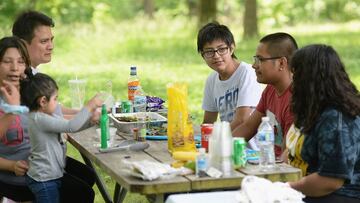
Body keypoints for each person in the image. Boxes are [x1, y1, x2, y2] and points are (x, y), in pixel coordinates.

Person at [11, 10, 98, 203]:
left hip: (41, 153)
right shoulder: (20, 80)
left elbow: (52, 109)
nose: (51, 46)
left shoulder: (33, 74)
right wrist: (87, 116)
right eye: (44, 41)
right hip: (28, 162)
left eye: (51, 39)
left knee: (87, 175)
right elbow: (39, 121)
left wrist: (83, 111)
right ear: (24, 45)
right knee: (82, 192)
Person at [287, 44, 360, 203]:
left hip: (342, 196)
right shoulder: (316, 109)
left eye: (296, 74)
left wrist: (286, 187)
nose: (293, 81)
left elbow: (330, 181)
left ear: (309, 78)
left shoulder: (336, 118)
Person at [19, 72, 102, 203]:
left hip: (51, 176)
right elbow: (72, 126)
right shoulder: (39, 119)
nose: (57, 103)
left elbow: (71, 126)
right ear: (43, 101)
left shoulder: (47, 117)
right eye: (55, 99)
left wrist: (91, 121)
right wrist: (90, 105)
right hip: (44, 180)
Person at [232, 32, 298, 159]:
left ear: (281, 63)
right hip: (269, 163)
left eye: (260, 60)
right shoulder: (270, 90)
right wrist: (221, 148)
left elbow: (288, 155)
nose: (254, 65)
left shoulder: (297, 98)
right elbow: (248, 127)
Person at [197, 22, 262, 131]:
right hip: (227, 143)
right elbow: (208, 122)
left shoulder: (247, 73)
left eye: (221, 49)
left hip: (249, 145)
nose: (216, 56)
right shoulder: (212, 80)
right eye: (209, 52)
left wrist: (217, 138)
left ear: (232, 48)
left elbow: (242, 120)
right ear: (203, 55)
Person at [0, 36, 34, 202]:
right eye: (7, 61)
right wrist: (12, 166)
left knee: (87, 176)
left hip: (39, 169)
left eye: (20, 62)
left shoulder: (29, 92)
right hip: (11, 176)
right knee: (80, 192)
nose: (14, 68)